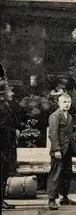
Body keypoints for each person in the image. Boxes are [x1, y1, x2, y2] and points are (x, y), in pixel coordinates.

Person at [47, 93, 76, 210]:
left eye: (69, 102)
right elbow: (53, 134)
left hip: (68, 150)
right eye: (64, 102)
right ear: (59, 103)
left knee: (67, 173)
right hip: (59, 150)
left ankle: (64, 197)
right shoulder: (55, 116)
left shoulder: (69, 116)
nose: (67, 104)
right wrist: (56, 150)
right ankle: (51, 199)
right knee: (56, 174)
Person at [0, 75, 21, 210]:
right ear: (2, 94)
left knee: (4, 174)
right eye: (9, 91)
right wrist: (14, 132)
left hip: (6, 147)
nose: (12, 93)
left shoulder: (5, 106)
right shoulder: (1, 108)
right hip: (2, 148)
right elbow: (2, 128)